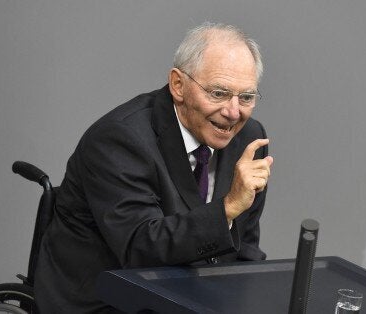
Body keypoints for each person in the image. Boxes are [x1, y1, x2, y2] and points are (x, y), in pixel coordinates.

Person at [34, 22, 273, 313]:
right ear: (178, 85)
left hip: (188, 294)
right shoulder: (119, 139)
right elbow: (140, 248)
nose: (233, 112)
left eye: (246, 97)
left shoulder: (247, 138)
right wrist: (227, 209)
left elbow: (246, 245)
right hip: (103, 297)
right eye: (219, 93)